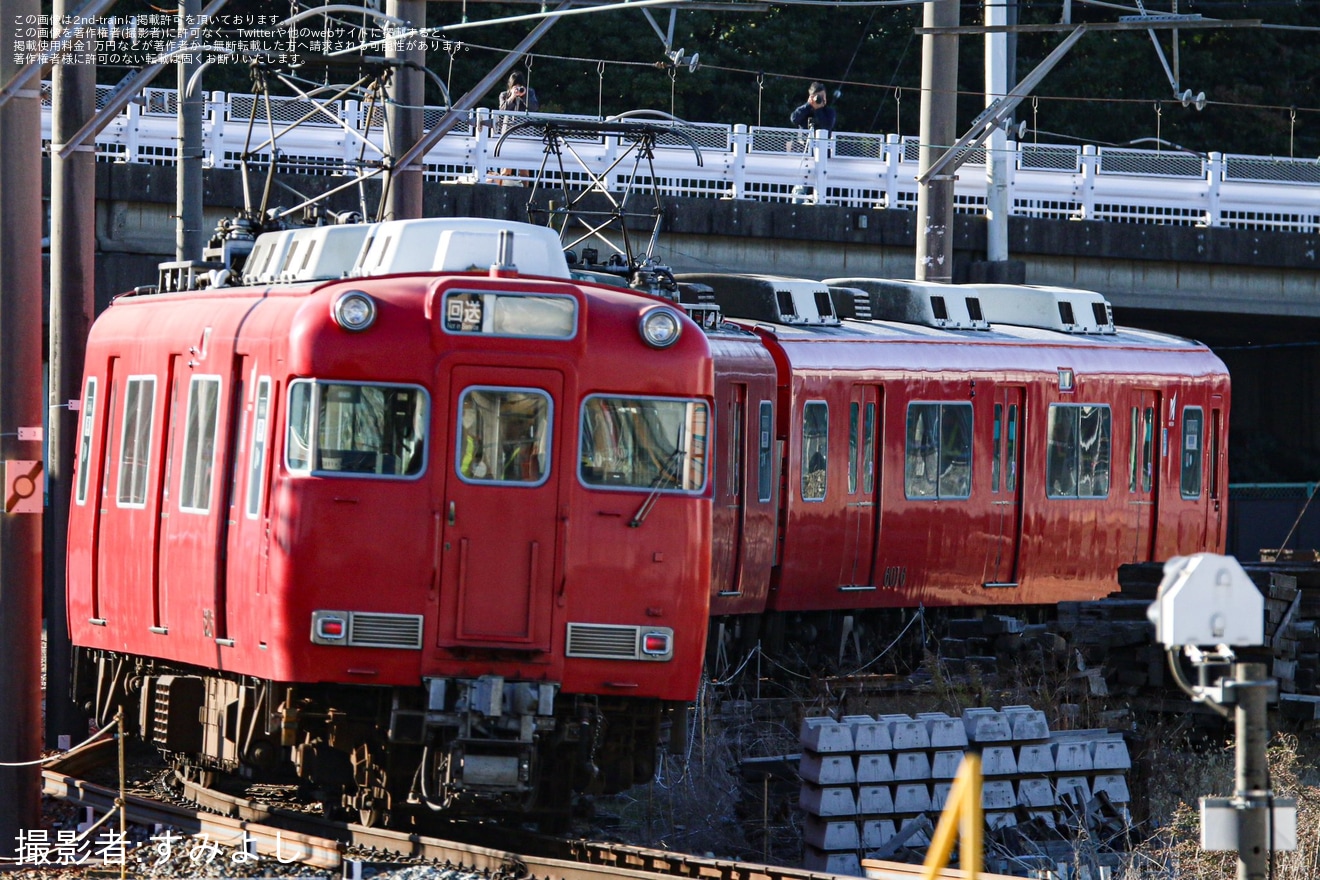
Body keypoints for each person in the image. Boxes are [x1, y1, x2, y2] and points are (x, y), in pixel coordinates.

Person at [497, 71, 539, 185]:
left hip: (525, 134)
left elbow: (534, 107)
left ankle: (525, 192)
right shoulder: (504, 95)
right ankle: (503, 189)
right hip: (509, 135)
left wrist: (524, 96)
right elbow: (502, 110)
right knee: (506, 168)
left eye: (520, 86)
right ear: (510, 86)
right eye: (515, 86)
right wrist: (512, 97)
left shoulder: (529, 92)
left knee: (524, 168)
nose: (518, 89)